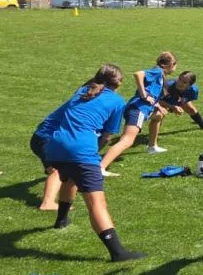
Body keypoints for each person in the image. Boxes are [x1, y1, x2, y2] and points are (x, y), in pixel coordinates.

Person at [44, 64, 146, 262]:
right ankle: (118, 252)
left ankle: (61, 220)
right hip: (80, 149)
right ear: (118, 83)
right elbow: (107, 135)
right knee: (97, 203)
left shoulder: (82, 91)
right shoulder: (117, 101)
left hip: (55, 146)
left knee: (70, 179)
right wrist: (92, 152)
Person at [99, 51, 177, 176]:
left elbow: (151, 92)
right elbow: (138, 74)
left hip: (143, 109)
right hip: (138, 109)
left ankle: (152, 146)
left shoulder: (160, 75)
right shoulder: (157, 71)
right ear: (171, 65)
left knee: (158, 116)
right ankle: (101, 167)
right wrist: (143, 94)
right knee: (127, 140)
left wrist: (157, 105)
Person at [30, 83, 93, 211]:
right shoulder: (85, 101)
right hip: (47, 138)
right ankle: (48, 203)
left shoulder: (83, 94)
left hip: (45, 136)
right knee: (57, 169)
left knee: (60, 169)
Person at [144, 71, 203, 154]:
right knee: (160, 115)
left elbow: (184, 100)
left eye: (184, 82)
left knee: (191, 109)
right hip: (161, 102)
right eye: (179, 79)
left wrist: (178, 106)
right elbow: (156, 101)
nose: (180, 83)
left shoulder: (193, 90)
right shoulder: (167, 86)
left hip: (173, 100)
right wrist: (171, 107)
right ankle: (152, 141)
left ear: (190, 85)